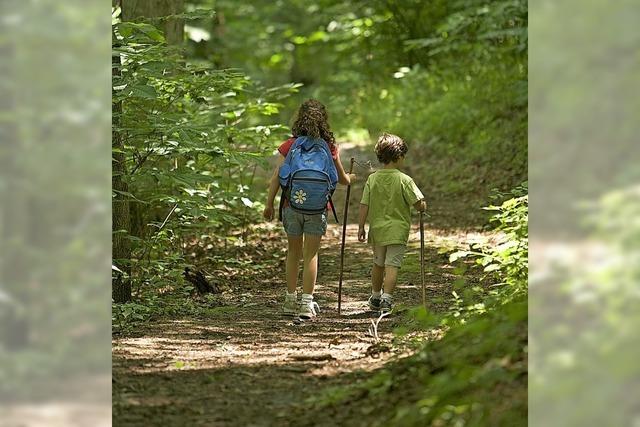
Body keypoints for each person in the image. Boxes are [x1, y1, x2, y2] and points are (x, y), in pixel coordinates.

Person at [263, 99, 355, 319]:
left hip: (290, 206)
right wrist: (350, 177)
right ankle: (306, 303)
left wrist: (269, 204)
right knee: (311, 253)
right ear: (323, 120)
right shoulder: (329, 146)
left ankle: (289, 300)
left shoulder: (289, 145)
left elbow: (277, 176)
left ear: (299, 118)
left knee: (293, 252)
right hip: (316, 208)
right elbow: (342, 179)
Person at [358, 133, 426, 313]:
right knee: (392, 265)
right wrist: (423, 206)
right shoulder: (404, 179)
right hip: (397, 231)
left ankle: (375, 296)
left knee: (378, 263)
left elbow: (364, 204)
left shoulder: (372, 178)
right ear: (399, 156)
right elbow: (418, 204)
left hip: (378, 230)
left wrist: (361, 226)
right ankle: (387, 300)